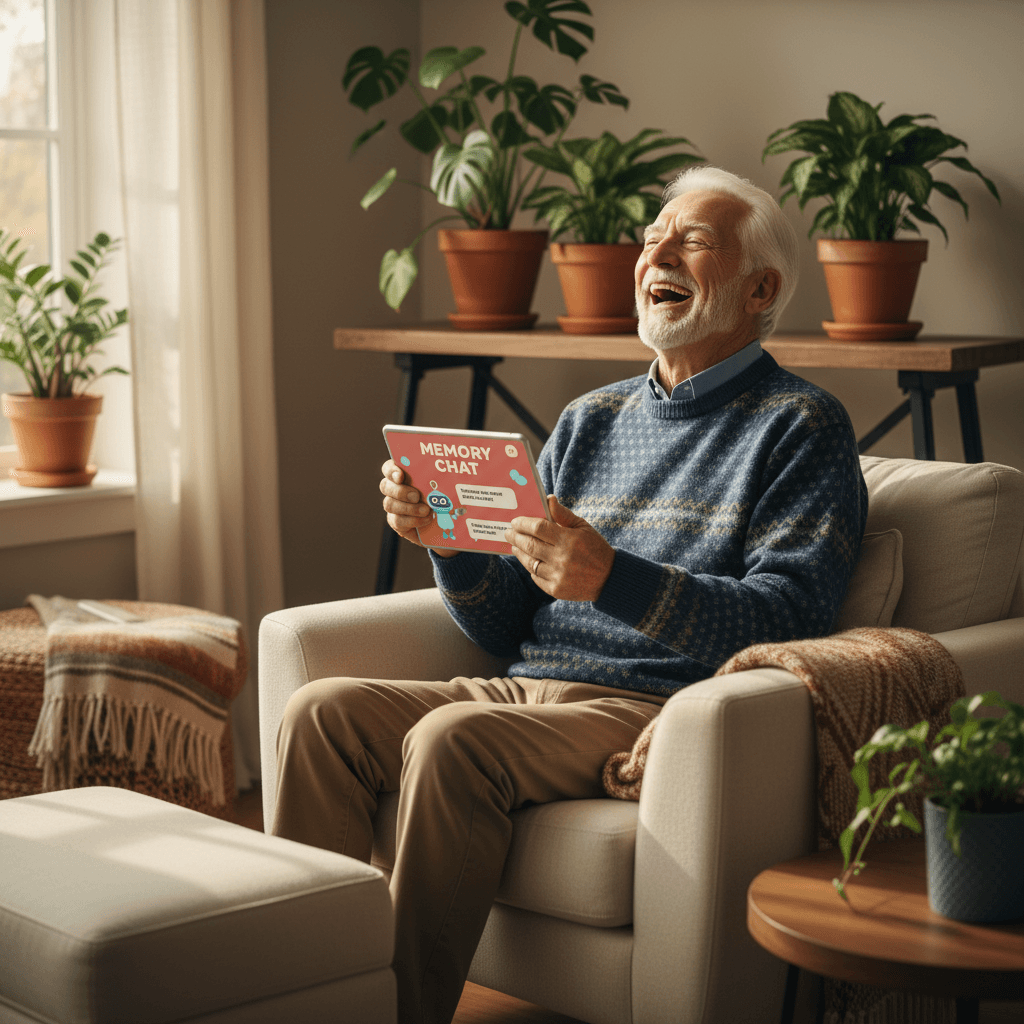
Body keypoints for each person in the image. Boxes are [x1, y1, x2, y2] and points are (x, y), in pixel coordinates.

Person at [272, 165, 868, 1024]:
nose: (655, 250)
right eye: (654, 233)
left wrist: (612, 579)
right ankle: (302, 1004)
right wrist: (451, 547)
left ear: (760, 288)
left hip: (653, 706)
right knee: (318, 713)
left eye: (692, 239)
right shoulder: (590, 419)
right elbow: (503, 620)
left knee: (452, 738)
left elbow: (792, 620)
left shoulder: (800, 424)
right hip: (524, 686)